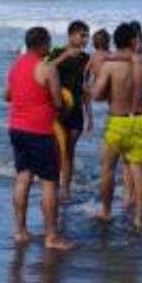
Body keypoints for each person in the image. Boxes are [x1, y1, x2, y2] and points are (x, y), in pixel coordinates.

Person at [92, 22, 142, 231]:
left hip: (118, 121)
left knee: (107, 168)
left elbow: (96, 94)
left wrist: (104, 93)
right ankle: (139, 219)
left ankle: (106, 211)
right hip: (140, 119)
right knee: (139, 170)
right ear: (134, 41)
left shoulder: (110, 66)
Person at [5, 27, 71, 249]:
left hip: (16, 128)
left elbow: (7, 95)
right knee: (49, 183)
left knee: (23, 178)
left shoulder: (16, 65)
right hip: (40, 130)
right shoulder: (47, 67)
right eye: (49, 43)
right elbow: (58, 101)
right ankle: (51, 236)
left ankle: (20, 231)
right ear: (43, 44)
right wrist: (62, 107)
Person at [48, 20, 92, 198]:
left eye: (87, 36)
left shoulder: (86, 59)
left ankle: (65, 188)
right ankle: (54, 185)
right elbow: (45, 70)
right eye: (82, 35)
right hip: (57, 109)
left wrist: (90, 116)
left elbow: (85, 88)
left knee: (69, 150)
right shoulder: (56, 52)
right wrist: (65, 56)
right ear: (71, 35)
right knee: (58, 148)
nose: (85, 39)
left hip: (76, 111)